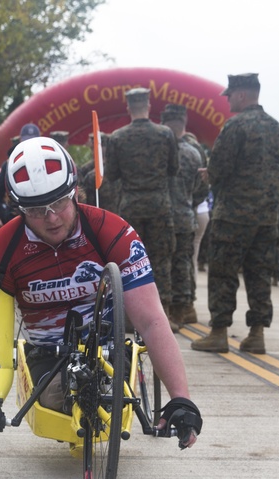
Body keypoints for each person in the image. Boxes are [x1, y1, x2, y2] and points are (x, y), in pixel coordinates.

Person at [0, 137, 201, 449]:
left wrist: (181, 399)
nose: (52, 218)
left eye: (60, 203)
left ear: (75, 190)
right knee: (60, 395)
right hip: (47, 357)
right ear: (18, 205)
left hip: (107, 349)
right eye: (38, 210)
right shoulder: (1, 249)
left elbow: (151, 322)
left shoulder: (114, 232)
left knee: (106, 394)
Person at [191, 73, 279, 354]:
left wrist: (208, 175)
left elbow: (219, 169)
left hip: (233, 215)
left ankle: (219, 332)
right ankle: (256, 335)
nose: (228, 99)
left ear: (242, 95)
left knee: (223, 274)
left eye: (230, 95)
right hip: (267, 217)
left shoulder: (235, 126)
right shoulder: (278, 129)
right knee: (259, 275)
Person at [104, 87, 180, 330]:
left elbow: (112, 174)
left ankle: (128, 317)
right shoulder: (165, 134)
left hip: (131, 206)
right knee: (162, 260)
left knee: (130, 261)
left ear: (128, 107)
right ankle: (164, 312)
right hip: (160, 205)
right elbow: (173, 169)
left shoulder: (117, 137)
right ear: (149, 105)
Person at [160, 102, 203, 324]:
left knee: (163, 264)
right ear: (184, 123)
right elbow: (202, 190)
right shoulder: (195, 154)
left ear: (164, 123)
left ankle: (168, 312)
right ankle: (185, 308)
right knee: (184, 264)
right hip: (186, 216)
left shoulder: (158, 151)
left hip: (163, 217)